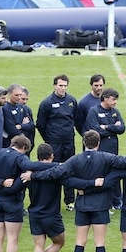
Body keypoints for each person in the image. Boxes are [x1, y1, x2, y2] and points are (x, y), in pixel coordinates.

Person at [23, 143, 95, 252]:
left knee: (39, 244)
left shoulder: (29, 173)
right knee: (59, 241)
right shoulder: (56, 171)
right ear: (52, 156)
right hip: (51, 215)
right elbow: (70, 181)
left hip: (34, 214)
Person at [37, 74, 79, 210]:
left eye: (65, 86)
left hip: (68, 141)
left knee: (69, 168)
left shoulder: (72, 100)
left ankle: (69, 201)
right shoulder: (47, 103)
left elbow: (76, 119)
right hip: (54, 142)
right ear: (55, 86)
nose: (63, 88)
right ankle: (51, 200)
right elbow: (41, 124)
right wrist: (49, 138)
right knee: (53, 169)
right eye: (60, 85)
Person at [84, 88, 126, 208]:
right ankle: (103, 203)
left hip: (113, 150)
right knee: (100, 176)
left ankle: (117, 202)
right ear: (105, 98)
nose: (115, 102)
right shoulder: (94, 111)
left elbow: (122, 128)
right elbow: (96, 131)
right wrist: (113, 128)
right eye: (113, 99)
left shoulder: (115, 112)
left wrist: (107, 127)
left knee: (115, 175)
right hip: (100, 150)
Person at [2, 84, 34, 149]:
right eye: (16, 95)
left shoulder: (22, 107)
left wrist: (20, 126)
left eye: (20, 95)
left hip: (21, 145)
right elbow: (11, 130)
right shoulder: (5, 109)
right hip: (10, 145)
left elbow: (31, 125)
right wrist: (23, 137)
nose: (19, 97)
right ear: (9, 94)